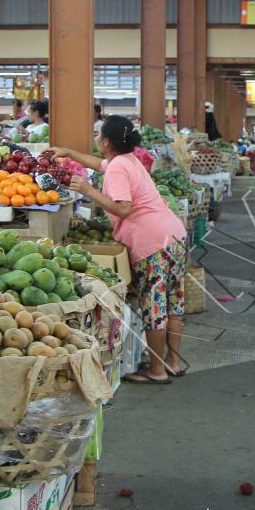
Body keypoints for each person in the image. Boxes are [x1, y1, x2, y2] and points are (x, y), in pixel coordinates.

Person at [51, 115, 188, 384]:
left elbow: (123, 208)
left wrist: (89, 190)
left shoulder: (118, 168)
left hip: (152, 243)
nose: (95, 139)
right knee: (172, 303)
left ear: (106, 141)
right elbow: (100, 164)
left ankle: (157, 371)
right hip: (173, 235)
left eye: (98, 135)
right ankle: (171, 362)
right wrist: (69, 153)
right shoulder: (126, 161)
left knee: (155, 306)